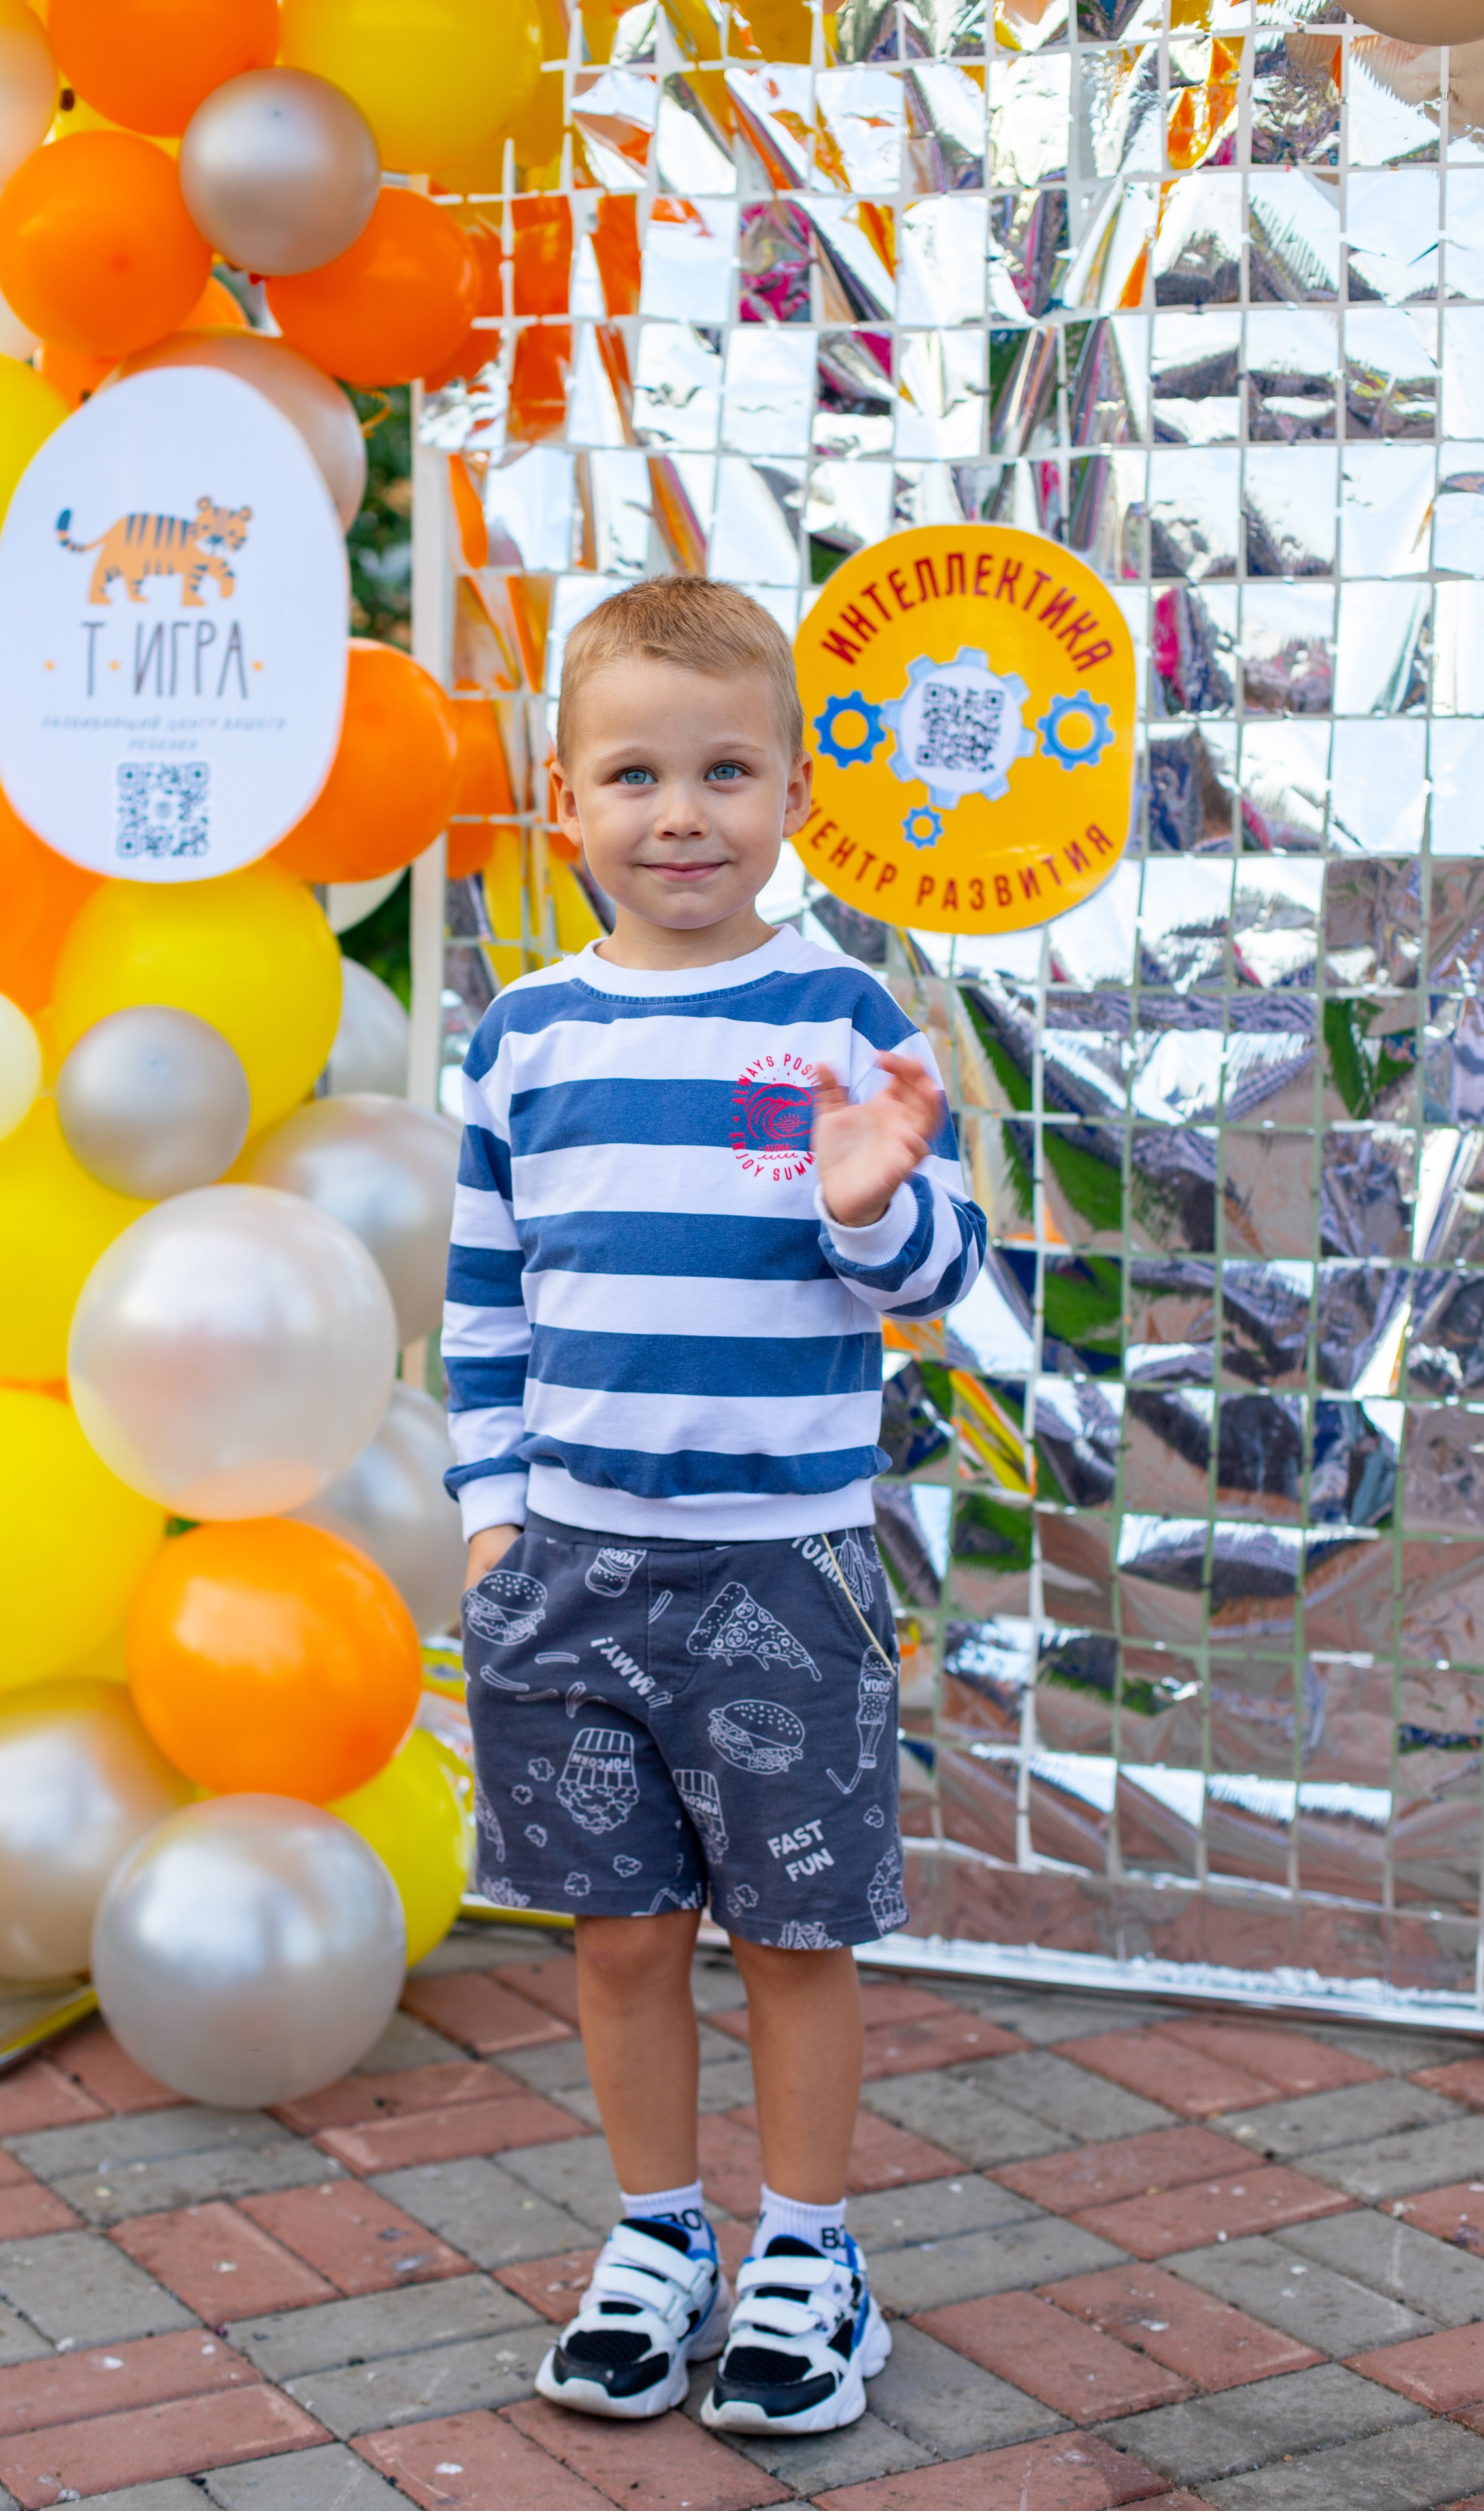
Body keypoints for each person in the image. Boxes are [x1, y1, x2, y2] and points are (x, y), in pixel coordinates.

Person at [442, 573, 986, 2437]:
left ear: (795, 798)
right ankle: (660, 2232)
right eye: (637, 774)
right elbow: (486, 1301)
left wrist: (866, 1203)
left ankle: (810, 2249)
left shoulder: (842, 1017)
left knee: (792, 1928)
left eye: (728, 771)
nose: (684, 814)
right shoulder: (523, 1037)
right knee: (614, 1932)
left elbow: (936, 1276)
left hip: (784, 1564)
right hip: (571, 1570)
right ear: (564, 803)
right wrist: (495, 1520)